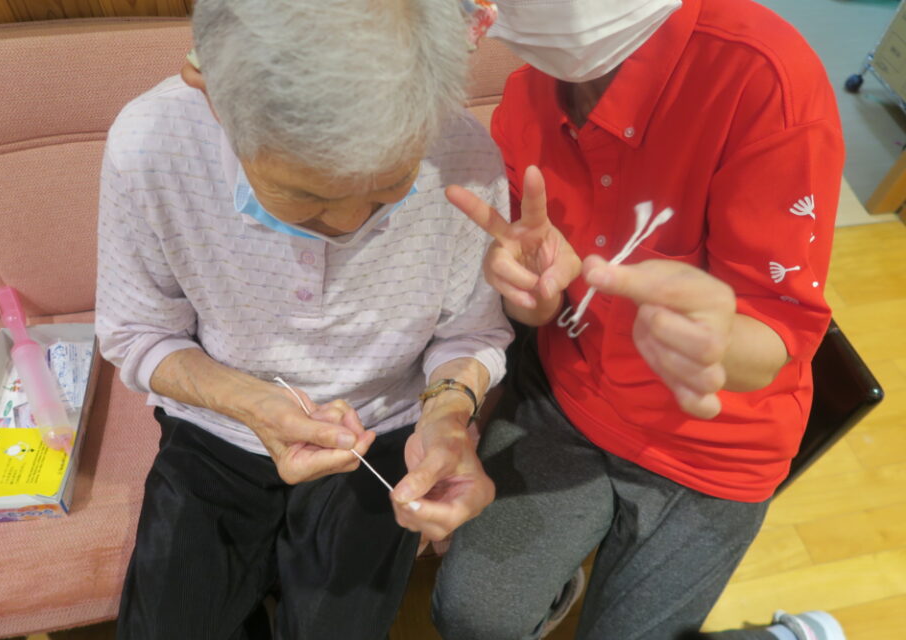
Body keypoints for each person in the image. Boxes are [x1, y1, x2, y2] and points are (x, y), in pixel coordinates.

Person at [94, 1, 513, 638]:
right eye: (305, 195)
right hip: (217, 426)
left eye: (388, 187)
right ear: (212, 95)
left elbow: (469, 333)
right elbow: (138, 332)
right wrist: (251, 403)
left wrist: (447, 417)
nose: (347, 225)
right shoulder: (152, 145)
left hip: (384, 427)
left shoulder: (461, 156)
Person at [431, 0, 844, 639]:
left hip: (712, 449)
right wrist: (531, 297)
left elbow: (778, 334)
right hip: (566, 399)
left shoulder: (764, 77)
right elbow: (534, 294)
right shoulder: (527, 95)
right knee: (470, 617)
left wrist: (717, 339)